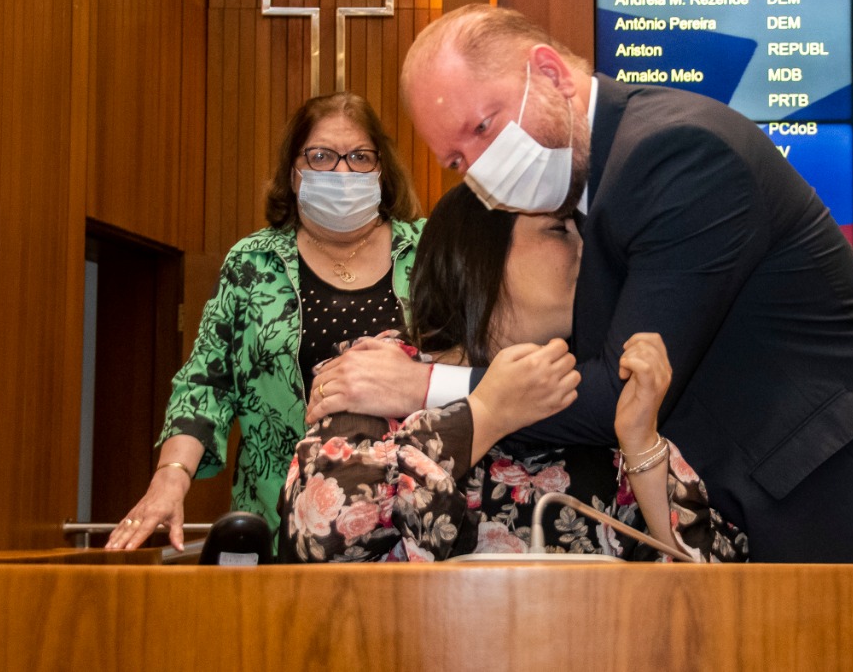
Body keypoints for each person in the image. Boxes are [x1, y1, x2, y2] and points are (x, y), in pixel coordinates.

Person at [307, 3, 853, 563]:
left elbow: (618, 387)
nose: (483, 169)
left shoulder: (672, 154)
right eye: (458, 160)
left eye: (484, 127)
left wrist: (425, 389)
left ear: (549, 73)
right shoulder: (596, 183)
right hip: (781, 502)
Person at [277, 184, 748, 562]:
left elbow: (724, 584)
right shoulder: (375, 375)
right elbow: (325, 541)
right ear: (480, 253)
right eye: (560, 230)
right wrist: (485, 413)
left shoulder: (599, 395)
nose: (587, 250)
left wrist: (641, 443)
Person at [105, 92, 425, 551]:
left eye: (359, 156)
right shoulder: (252, 262)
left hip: (412, 525)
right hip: (281, 527)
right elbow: (206, 383)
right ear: (294, 172)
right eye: (320, 156)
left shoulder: (428, 252)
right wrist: (170, 478)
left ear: (381, 169)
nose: (341, 172)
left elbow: (470, 365)